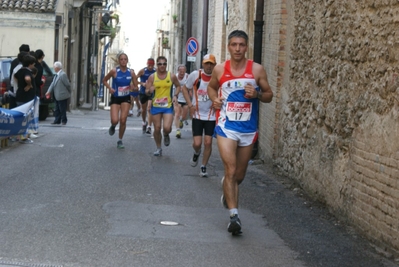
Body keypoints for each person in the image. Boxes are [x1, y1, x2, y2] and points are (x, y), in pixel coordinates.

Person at [207, 30, 274, 235]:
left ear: (247, 47)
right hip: (226, 127)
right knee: (230, 169)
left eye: (242, 45)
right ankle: (234, 216)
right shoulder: (220, 69)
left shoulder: (257, 70)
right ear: (228, 47)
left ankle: (227, 190)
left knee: (239, 175)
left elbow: (269, 95)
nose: (238, 49)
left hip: (247, 129)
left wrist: (258, 94)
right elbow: (211, 88)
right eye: (234, 45)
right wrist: (214, 99)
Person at [180, 54, 217, 177]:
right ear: (202, 64)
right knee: (197, 143)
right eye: (207, 63)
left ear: (214, 65)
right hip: (197, 115)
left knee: (208, 142)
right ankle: (196, 153)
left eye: (211, 64)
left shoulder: (217, 77)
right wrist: (190, 104)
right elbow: (185, 89)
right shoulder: (196, 75)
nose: (209, 66)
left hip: (211, 116)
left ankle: (203, 166)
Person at [145, 56, 181, 156]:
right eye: (160, 64)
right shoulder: (152, 77)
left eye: (164, 64)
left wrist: (175, 95)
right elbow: (146, 91)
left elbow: (178, 86)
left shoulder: (171, 76)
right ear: (157, 65)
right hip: (156, 106)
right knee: (156, 128)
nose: (162, 66)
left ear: (166, 65)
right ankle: (159, 148)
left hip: (167, 106)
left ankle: (166, 134)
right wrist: (149, 90)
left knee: (167, 128)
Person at [102, 53, 138, 149]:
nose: (123, 61)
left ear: (127, 60)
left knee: (123, 120)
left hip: (125, 97)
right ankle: (113, 126)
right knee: (115, 120)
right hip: (115, 97)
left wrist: (133, 88)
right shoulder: (114, 71)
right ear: (119, 61)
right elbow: (104, 80)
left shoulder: (131, 73)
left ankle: (120, 140)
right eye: (121, 59)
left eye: (125, 59)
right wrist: (110, 88)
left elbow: (136, 87)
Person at [14, 54, 36, 143]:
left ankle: (19, 136)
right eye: (33, 64)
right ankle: (24, 137)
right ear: (30, 64)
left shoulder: (20, 71)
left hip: (20, 96)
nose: (33, 66)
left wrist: (20, 84)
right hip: (26, 98)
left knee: (20, 117)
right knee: (25, 118)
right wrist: (29, 85)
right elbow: (27, 78)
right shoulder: (27, 71)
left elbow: (15, 76)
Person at [45, 61, 71, 126]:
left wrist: (69, 92)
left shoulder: (63, 74)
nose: (53, 68)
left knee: (62, 109)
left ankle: (64, 120)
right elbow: (52, 84)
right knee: (57, 109)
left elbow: (67, 84)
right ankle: (57, 120)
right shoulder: (56, 75)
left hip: (62, 95)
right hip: (56, 95)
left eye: (54, 67)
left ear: (57, 67)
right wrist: (48, 91)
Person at [137, 58, 156, 135]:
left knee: (149, 108)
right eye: (149, 65)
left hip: (151, 92)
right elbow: (135, 79)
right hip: (142, 92)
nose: (150, 67)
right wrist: (142, 83)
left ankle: (149, 126)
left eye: (152, 65)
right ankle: (144, 122)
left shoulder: (156, 71)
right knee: (144, 109)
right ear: (147, 64)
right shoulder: (142, 71)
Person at [173, 64, 189, 139]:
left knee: (184, 115)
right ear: (178, 71)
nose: (182, 73)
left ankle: (181, 121)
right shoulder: (174, 77)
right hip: (177, 98)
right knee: (177, 114)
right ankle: (178, 131)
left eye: (183, 71)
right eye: (180, 71)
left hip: (185, 98)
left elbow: (191, 86)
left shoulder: (187, 77)